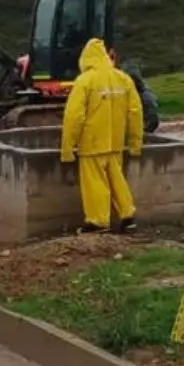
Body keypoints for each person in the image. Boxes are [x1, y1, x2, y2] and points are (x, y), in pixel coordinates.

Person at [60, 37, 144, 233]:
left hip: (92, 144)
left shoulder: (85, 81)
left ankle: (97, 222)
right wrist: (134, 143)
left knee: (95, 183)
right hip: (115, 143)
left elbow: (74, 117)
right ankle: (128, 216)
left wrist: (67, 148)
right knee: (117, 180)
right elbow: (136, 113)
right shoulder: (123, 79)